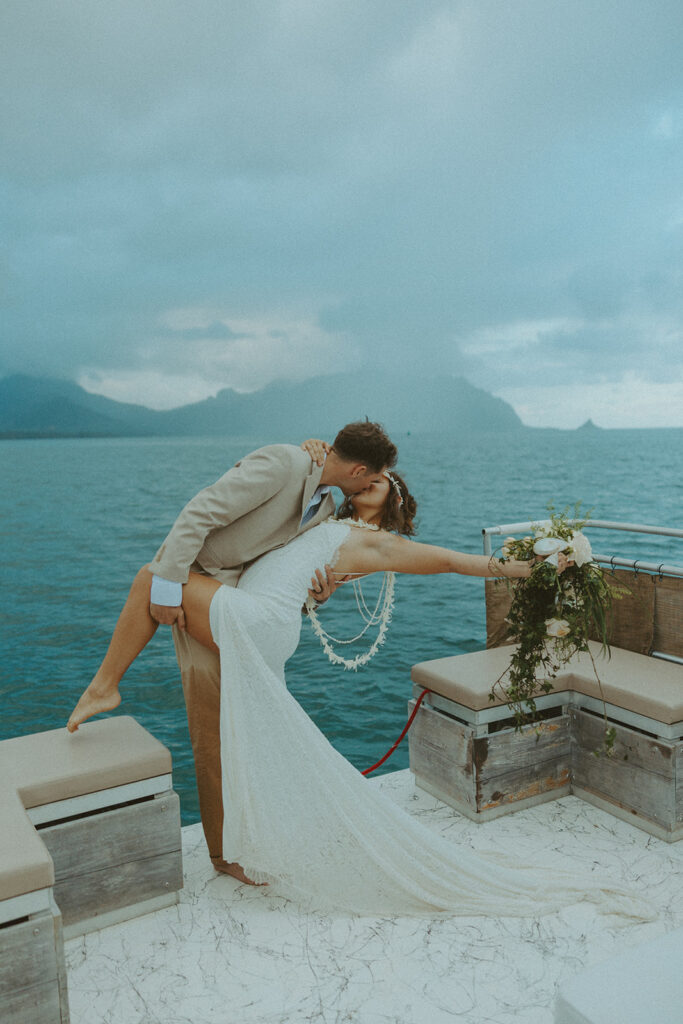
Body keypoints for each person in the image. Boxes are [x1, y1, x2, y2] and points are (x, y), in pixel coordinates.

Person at [66, 472, 650, 921]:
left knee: (153, 577)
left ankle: (104, 687)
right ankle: (229, 853)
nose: (372, 480)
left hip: (260, 623)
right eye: (369, 474)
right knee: (227, 739)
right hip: (263, 615)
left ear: (392, 501)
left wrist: (538, 568)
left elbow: (454, 561)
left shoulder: (379, 542)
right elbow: (293, 552)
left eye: (383, 480)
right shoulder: (324, 518)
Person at [74, 421, 398, 880]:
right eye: (372, 477)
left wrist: (317, 595)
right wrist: (169, 588)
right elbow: (201, 511)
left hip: (237, 603)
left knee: (230, 727)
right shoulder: (284, 462)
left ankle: (234, 847)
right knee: (211, 723)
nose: (370, 486)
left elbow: (284, 572)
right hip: (196, 584)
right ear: (360, 469)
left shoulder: (326, 506)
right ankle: (105, 688)